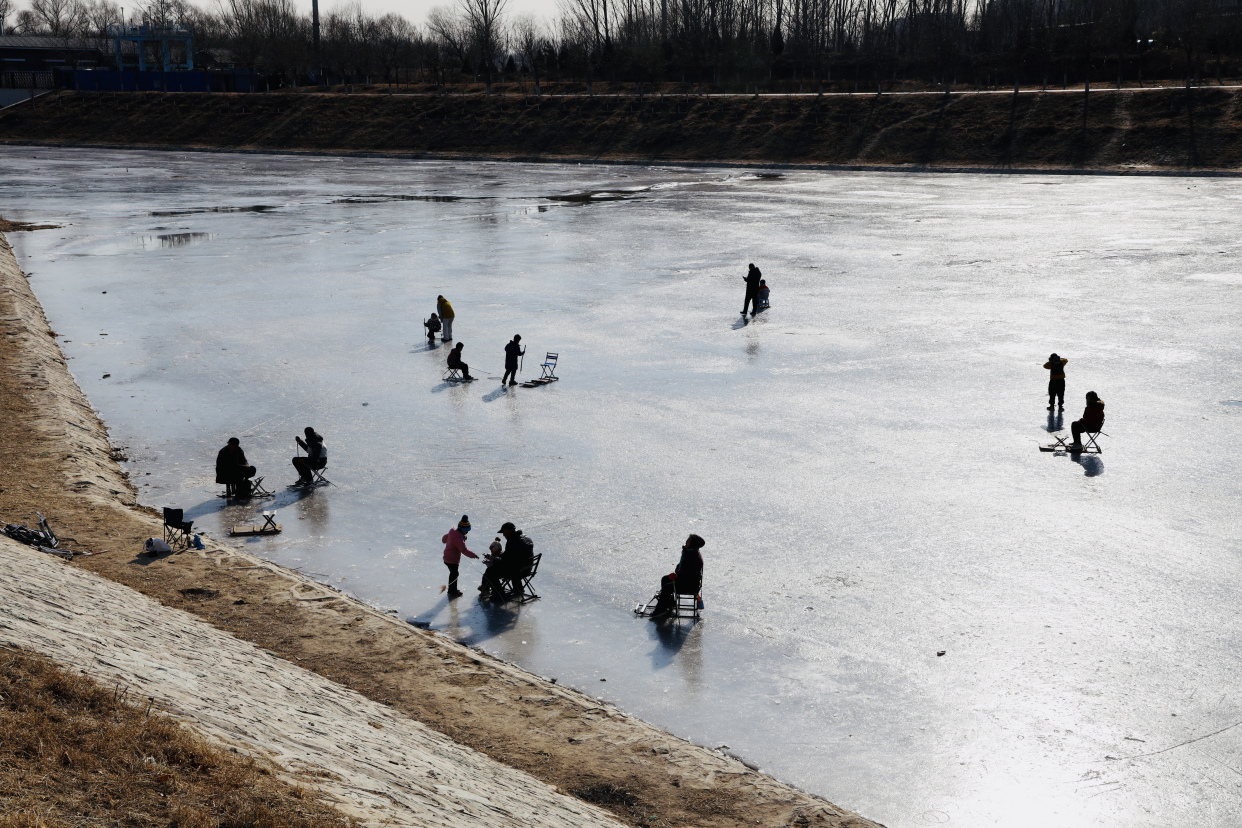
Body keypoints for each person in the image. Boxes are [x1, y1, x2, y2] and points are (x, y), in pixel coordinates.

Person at [652, 534, 705, 618]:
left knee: (667, 587)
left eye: (688, 540)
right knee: (665, 579)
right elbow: (681, 566)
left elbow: (688, 574)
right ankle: (669, 603)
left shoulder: (693, 557)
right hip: (685, 580)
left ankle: (661, 609)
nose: (686, 541)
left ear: (692, 543)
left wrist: (677, 574)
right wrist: (677, 573)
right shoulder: (690, 552)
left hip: (689, 585)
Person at [479, 521, 534, 600]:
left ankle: (499, 594)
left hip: (517, 571)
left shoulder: (512, 542)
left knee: (490, 571)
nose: (503, 535)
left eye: (504, 533)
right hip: (527, 569)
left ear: (508, 531)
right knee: (515, 564)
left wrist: (494, 558)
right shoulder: (526, 538)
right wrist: (500, 556)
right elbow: (511, 556)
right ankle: (519, 588)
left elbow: (505, 562)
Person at [441, 515, 479, 599]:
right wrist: (473, 555)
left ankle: (451, 590)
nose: (467, 532)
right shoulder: (458, 539)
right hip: (452, 560)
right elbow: (464, 550)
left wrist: (444, 540)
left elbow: (446, 537)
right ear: (462, 530)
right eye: (467, 531)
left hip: (447, 557)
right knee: (454, 574)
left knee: (453, 573)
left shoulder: (452, 532)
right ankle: (452, 591)